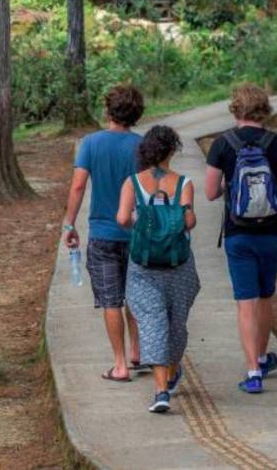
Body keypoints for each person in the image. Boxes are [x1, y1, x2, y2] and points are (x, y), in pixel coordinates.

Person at [205, 83, 277, 394]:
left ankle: (253, 371)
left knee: (245, 301)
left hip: (238, 234)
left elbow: (211, 192)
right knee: (265, 295)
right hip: (271, 234)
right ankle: (263, 357)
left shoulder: (222, 144)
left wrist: (231, 186)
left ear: (235, 109)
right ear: (264, 110)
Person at [62, 85, 145, 382]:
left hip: (103, 234)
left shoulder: (91, 143)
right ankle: (138, 352)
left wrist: (70, 225)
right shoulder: (143, 145)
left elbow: (78, 186)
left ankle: (120, 364)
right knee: (135, 295)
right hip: (137, 235)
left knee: (112, 300)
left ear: (108, 111)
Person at [117, 126, 200, 413]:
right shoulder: (184, 183)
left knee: (152, 323)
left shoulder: (132, 183)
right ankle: (169, 376)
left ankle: (161, 390)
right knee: (176, 324)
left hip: (144, 265)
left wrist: (145, 226)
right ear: (172, 150)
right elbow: (189, 222)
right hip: (179, 264)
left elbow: (122, 218)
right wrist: (172, 221)